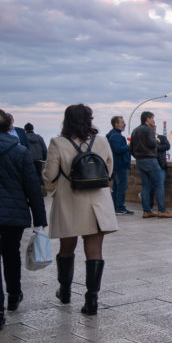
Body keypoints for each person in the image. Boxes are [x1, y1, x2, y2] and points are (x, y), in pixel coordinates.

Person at [44, 104, 118, 316]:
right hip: (97, 202)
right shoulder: (102, 141)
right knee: (94, 250)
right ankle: (91, 299)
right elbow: (109, 170)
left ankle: (65, 291)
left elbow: (49, 177)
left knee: (67, 248)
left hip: (70, 201)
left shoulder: (57, 143)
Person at [0, 108, 47, 330]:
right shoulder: (20, 151)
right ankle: (14, 294)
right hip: (13, 214)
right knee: (11, 253)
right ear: (9, 127)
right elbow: (32, 187)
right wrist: (40, 218)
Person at [130, 111, 172, 219]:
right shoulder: (148, 130)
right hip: (150, 159)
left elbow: (131, 148)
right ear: (147, 119)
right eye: (152, 118)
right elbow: (152, 143)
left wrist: (137, 156)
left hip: (140, 160)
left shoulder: (135, 130)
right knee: (159, 185)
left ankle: (146, 211)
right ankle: (162, 210)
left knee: (145, 186)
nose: (153, 121)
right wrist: (156, 141)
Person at [106, 116, 133, 215]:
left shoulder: (111, 134)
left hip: (116, 165)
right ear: (116, 124)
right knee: (121, 187)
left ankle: (115, 207)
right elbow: (118, 149)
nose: (124, 124)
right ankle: (120, 208)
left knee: (116, 187)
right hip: (120, 164)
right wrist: (128, 146)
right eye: (122, 122)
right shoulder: (116, 136)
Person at [23, 123, 47, 191]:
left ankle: (31, 190)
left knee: (29, 175)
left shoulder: (24, 138)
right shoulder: (39, 137)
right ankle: (41, 186)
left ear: (25, 129)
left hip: (28, 159)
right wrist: (44, 158)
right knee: (39, 175)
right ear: (32, 129)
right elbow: (44, 149)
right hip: (39, 160)